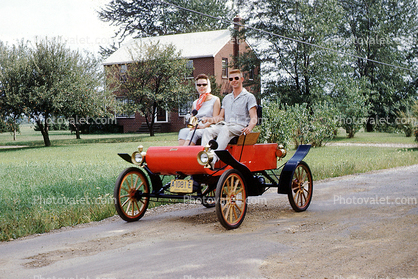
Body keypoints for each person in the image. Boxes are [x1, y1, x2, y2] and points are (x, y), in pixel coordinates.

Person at [201, 69, 258, 166]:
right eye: (231, 79)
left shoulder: (249, 97)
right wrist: (208, 119)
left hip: (240, 127)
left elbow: (254, 118)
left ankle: (213, 159)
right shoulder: (227, 98)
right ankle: (203, 158)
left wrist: (249, 128)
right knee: (207, 131)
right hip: (226, 125)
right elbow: (220, 117)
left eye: (236, 78)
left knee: (225, 129)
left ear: (242, 79)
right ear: (229, 81)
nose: (234, 80)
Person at [178, 74, 221, 146]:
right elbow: (193, 118)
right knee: (182, 131)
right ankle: (181, 154)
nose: (201, 87)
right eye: (199, 85)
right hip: (197, 127)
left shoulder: (215, 100)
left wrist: (202, 126)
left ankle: (185, 155)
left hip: (208, 127)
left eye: (204, 84)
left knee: (193, 133)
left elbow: (215, 120)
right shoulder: (195, 103)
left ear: (208, 85)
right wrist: (194, 126)